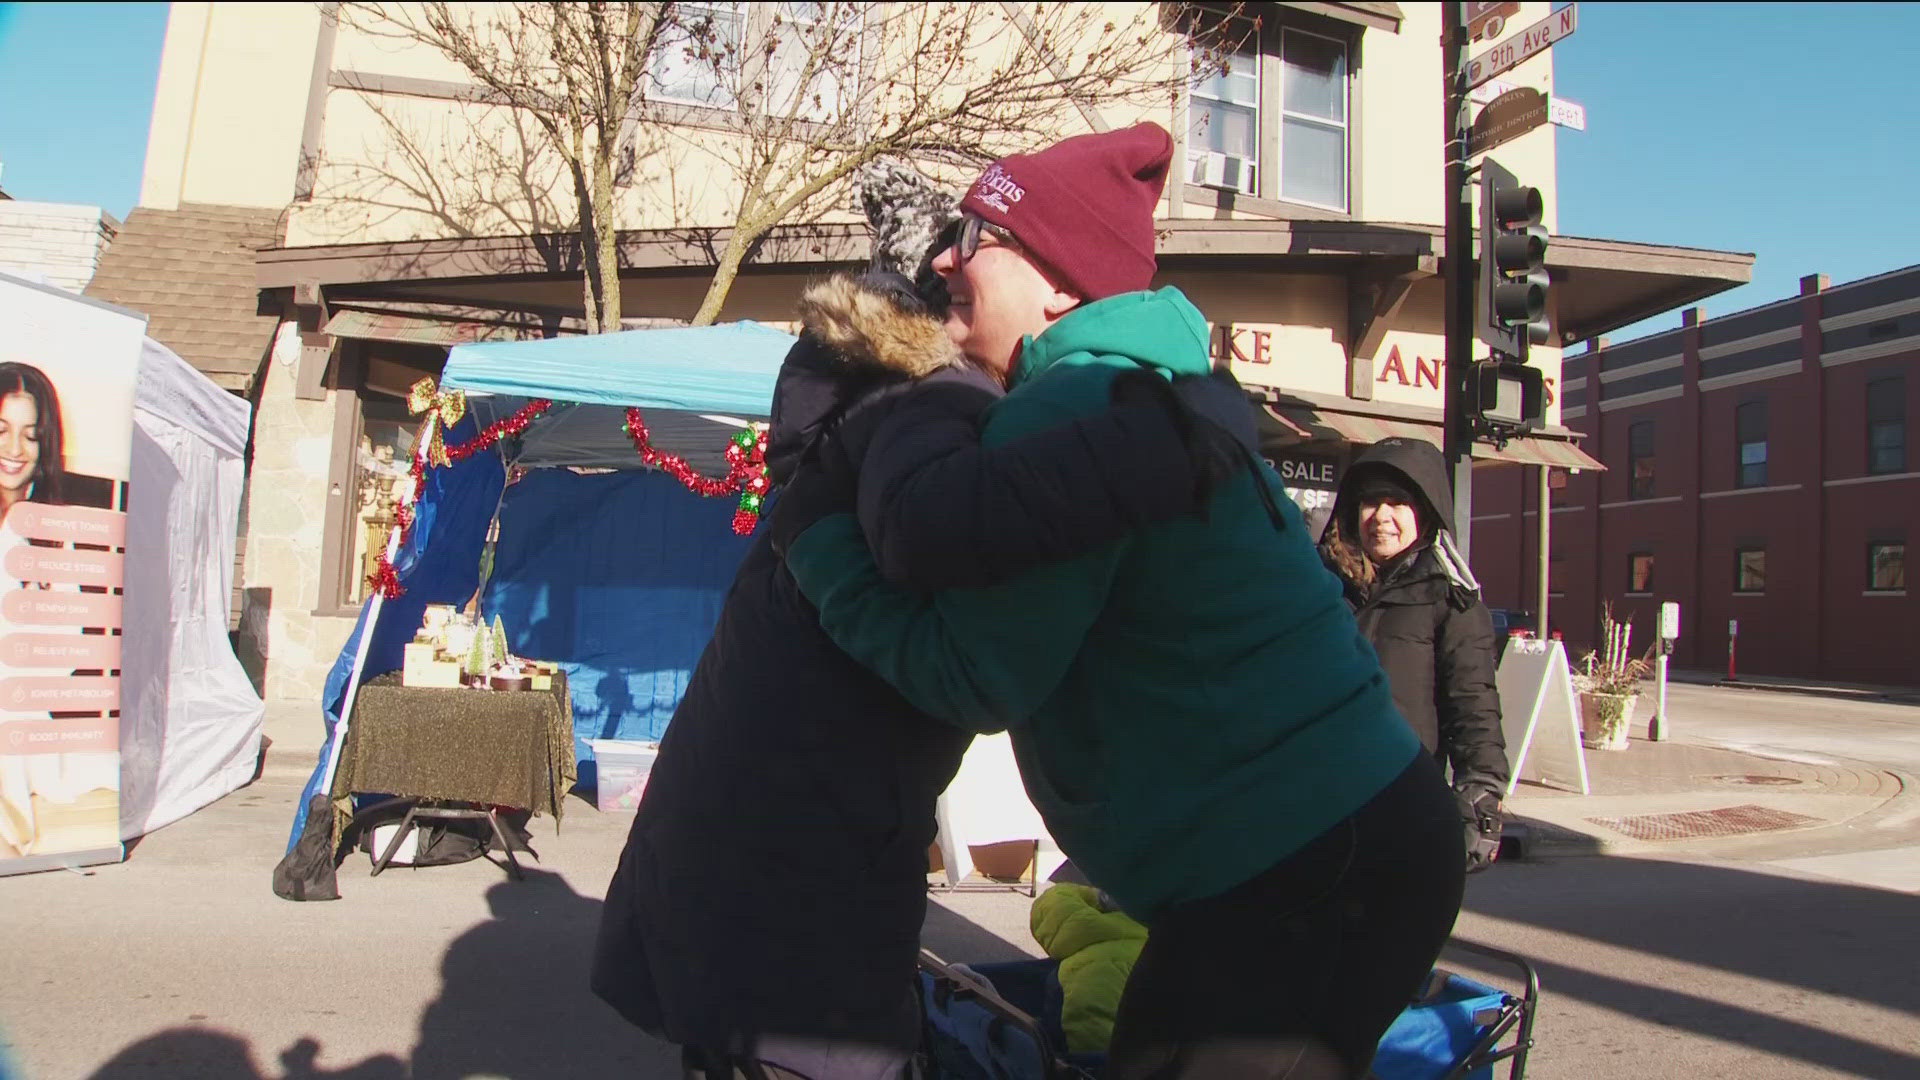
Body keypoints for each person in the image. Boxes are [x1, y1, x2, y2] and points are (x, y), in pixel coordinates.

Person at [775, 124, 1466, 1079]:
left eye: (975, 239)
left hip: (1300, 870)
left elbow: (971, 675)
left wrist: (816, 542)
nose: (944, 258)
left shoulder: (1078, 408)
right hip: (1324, 854)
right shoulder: (1152, 394)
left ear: (1059, 282)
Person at [591, 168, 1257, 1080]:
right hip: (807, 867)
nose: (959, 264)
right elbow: (944, 555)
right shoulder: (933, 401)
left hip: (750, 851)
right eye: (958, 253)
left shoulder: (861, 407)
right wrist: (1181, 434)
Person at [1318, 438, 1511, 872]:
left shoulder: (1449, 596)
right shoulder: (1320, 586)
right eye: (1370, 502)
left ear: (1422, 511)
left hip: (1401, 800)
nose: (1381, 517)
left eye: (1397, 502)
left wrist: (1481, 795)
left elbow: (1473, 704)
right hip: (1318, 803)